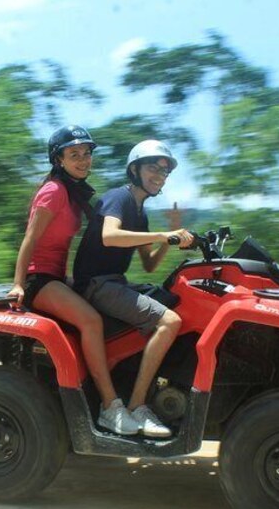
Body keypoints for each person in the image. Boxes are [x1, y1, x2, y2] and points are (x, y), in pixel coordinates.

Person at [7, 125, 140, 436]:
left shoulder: (72, 192)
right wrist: (19, 283)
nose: (83, 160)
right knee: (91, 322)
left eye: (87, 153)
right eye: (74, 155)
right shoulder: (54, 191)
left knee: (107, 306)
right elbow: (30, 238)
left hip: (56, 276)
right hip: (39, 278)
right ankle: (110, 406)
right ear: (59, 160)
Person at [72, 139, 195, 438]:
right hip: (97, 284)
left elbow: (150, 264)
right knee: (170, 321)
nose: (160, 176)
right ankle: (137, 406)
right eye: (154, 168)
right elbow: (110, 236)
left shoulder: (140, 213)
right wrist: (165, 234)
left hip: (115, 281)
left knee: (178, 301)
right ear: (135, 169)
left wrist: (170, 239)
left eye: (165, 172)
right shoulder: (120, 198)